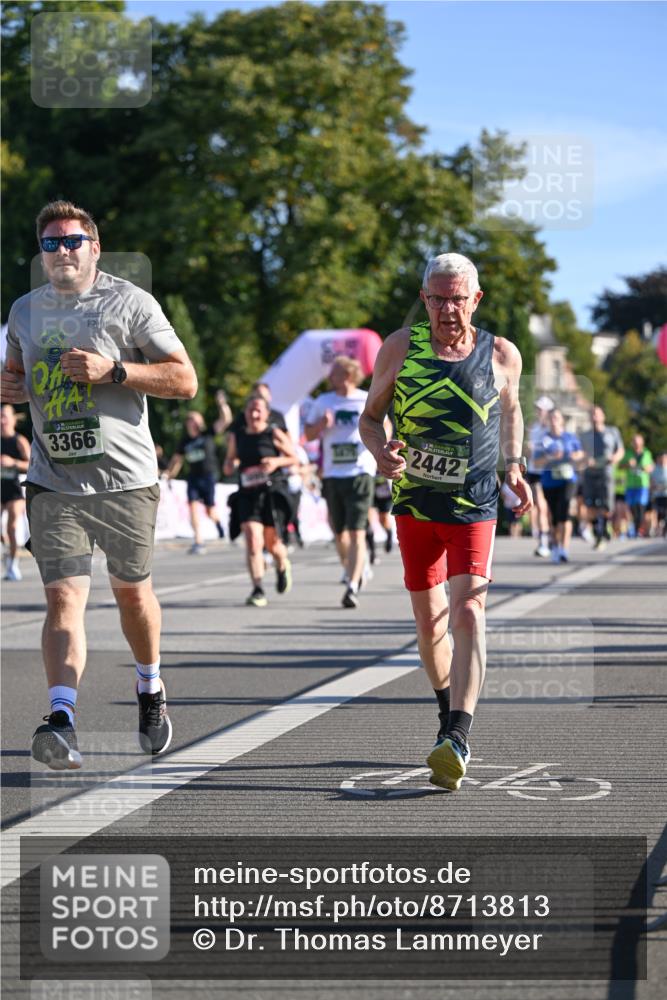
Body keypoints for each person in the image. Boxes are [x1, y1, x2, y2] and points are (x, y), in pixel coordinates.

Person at [0, 200, 198, 770]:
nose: (62, 251)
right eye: (51, 243)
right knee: (63, 598)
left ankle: (150, 684)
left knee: (131, 594)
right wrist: (11, 387)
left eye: (72, 241)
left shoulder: (129, 301)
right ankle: (61, 719)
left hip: (124, 480)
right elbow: (15, 377)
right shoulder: (24, 310)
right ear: (41, 253)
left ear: (94, 247)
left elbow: (184, 379)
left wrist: (114, 371)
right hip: (52, 479)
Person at [359, 252, 532, 791]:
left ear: (476, 299)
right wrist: (379, 452)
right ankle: (445, 711)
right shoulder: (399, 347)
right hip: (415, 505)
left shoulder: (502, 354)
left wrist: (516, 467)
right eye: (436, 298)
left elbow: (512, 411)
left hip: (476, 503)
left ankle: (458, 734)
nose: (447, 309)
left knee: (470, 609)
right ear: (423, 299)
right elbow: (370, 417)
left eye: (457, 298)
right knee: (430, 622)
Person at [305, 355, 377, 609]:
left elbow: (385, 425)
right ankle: (355, 567)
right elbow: (308, 434)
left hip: (359, 471)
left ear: (348, 374)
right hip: (333, 474)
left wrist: (377, 446)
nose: (329, 377)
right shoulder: (324, 401)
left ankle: (352, 585)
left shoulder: (365, 398)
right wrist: (322, 425)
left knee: (357, 531)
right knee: (339, 533)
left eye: (334, 372)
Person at [224, 393, 296, 606]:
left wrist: (275, 462)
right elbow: (230, 459)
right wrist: (229, 465)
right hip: (247, 493)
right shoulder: (237, 435)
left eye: (258, 410)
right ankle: (257, 589)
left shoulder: (273, 433)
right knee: (253, 540)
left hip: (272, 493)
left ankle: (282, 564)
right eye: (250, 410)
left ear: (266, 413)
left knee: (273, 544)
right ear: (245, 413)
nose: (254, 414)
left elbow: (294, 458)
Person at [164, 411, 225, 554]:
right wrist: (170, 474)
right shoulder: (185, 441)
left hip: (208, 476)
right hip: (193, 478)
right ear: (188, 423)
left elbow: (225, 420)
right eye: (191, 420)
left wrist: (222, 405)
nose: (195, 423)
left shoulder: (207, 434)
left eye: (197, 420)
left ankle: (218, 523)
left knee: (210, 510)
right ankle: (198, 541)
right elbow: (177, 460)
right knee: (192, 507)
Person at [534, 408, 584, 562]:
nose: (554, 420)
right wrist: (550, 457)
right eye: (551, 418)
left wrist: (572, 456)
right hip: (549, 481)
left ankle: (564, 549)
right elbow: (536, 462)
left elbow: (580, 453)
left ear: (562, 420)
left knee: (565, 511)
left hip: (569, 480)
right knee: (554, 517)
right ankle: (555, 546)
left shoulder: (570, 437)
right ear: (548, 421)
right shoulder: (544, 440)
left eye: (557, 417)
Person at [579, 405, 624, 551]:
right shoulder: (584, 435)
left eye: (597, 414)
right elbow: (578, 452)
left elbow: (620, 450)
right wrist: (586, 458)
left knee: (606, 505)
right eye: (592, 414)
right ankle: (596, 529)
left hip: (606, 472)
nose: (594, 417)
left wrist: (614, 458)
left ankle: (602, 530)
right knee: (590, 505)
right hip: (590, 473)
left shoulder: (612, 432)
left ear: (603, 416)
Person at [1, 403, 31, 580]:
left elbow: (31, 465)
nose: (2, 420)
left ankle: (12, 565)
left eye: (5, 416)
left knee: (12, 527)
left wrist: (13, 462)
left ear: (13, 420)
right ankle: (7, 552)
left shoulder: (19, 441)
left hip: (14, 488)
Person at [525, 396, 554, 557]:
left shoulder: (552, 429)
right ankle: (543, 542)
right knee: (541, 506)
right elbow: (528, 452)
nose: (538, 411)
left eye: (541, 409)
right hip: (535, 471)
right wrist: (528, 449)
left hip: (550, 472)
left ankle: (552, 538)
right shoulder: (533, 427)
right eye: (537, 408)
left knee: (550, 509)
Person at [621, 433, 654, 537]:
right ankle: (635, 526)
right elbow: (621, 466)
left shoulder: (647, 453)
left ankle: (639, 528)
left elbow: (651, 467)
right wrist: (628, 464)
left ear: (642, 442)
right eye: (634, 441)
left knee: (640, 506)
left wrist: (645, 468)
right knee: (632, 507)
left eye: (638, 441)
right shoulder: (628, 453)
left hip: (642, 484)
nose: (636, 443)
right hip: (631, 484)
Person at [648, 452, 667, 538]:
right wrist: (655, 487)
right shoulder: (655, 470)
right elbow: (651, 484)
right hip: (657, 495)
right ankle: (656, 528)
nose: (663, 460)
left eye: (664, 458)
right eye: (661, 458)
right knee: (656, 512)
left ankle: (664, 529)